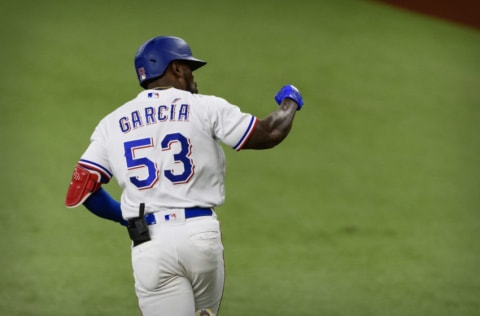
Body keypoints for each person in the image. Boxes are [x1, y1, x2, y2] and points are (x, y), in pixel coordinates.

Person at [65, 35, 303, 316]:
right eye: (189, 67)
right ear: (176, 68)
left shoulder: (112, 123)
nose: (193, 76)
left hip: (150, 242)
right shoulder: (204, 106)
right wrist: (290, 101)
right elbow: (269, 133)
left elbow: (81, 191)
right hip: (200, 235)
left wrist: (125, 217)